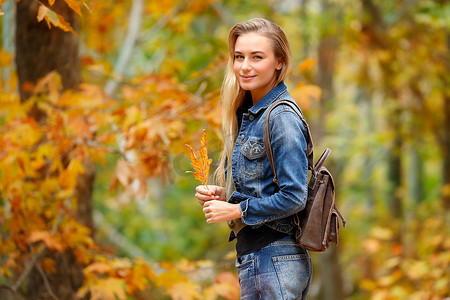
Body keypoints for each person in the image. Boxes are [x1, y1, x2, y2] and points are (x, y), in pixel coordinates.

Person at [195, 18, 312, 299]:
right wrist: (227, 195)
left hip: (273, 256)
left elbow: (295, 196)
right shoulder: (254, 114)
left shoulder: (280, 117)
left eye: (257, 57)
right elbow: (266, 187)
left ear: (279, 63)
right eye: (239, 57)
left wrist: (236, 211)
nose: (244, 66)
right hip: (262, 258)